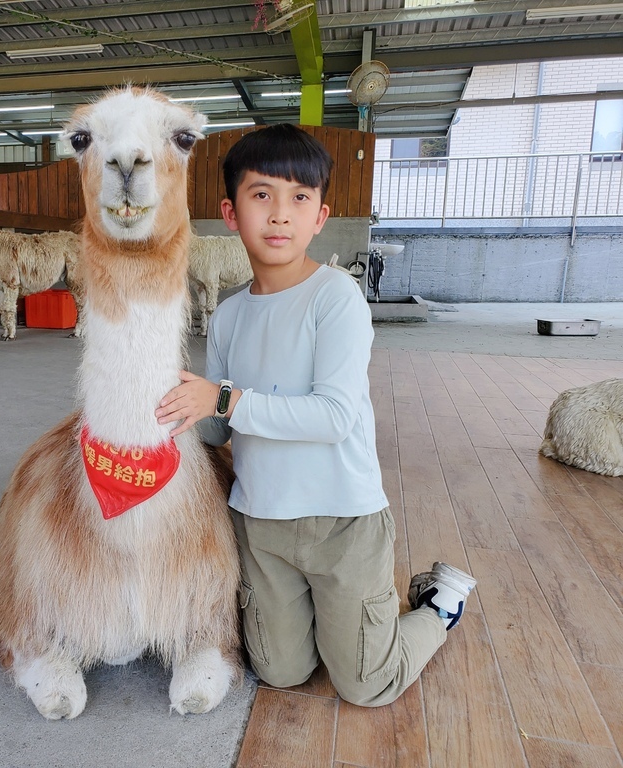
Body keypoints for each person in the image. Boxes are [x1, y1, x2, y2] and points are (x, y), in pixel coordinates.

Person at [154, 124, 476, 708]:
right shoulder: (226, 317)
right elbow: (217, 430)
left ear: (321, 216)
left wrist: (221, 397)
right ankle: (349, 626)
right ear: (230, 213)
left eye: (299, 198)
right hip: (261, 525)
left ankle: (439, 605)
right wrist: (169, 402)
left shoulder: (336, 298)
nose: (280, 215)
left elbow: (332, 416)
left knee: (366, 685)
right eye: (261, 195)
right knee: (281, 672)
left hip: (342, 523)